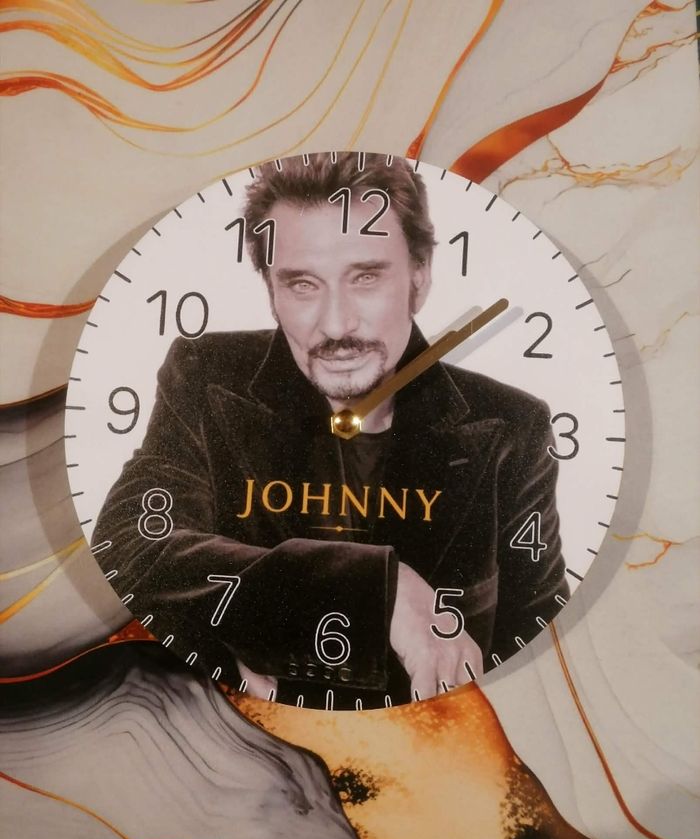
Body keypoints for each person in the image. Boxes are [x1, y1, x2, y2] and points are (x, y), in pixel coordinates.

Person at [93, 152, 568, 709]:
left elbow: (544, 650)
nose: (337, 325)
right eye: (302, 285)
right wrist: (381, 593)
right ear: (270, 289)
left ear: (419, 277)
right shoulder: (205, 374)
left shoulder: (513, 426)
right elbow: (131, 547)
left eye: (366, 277)